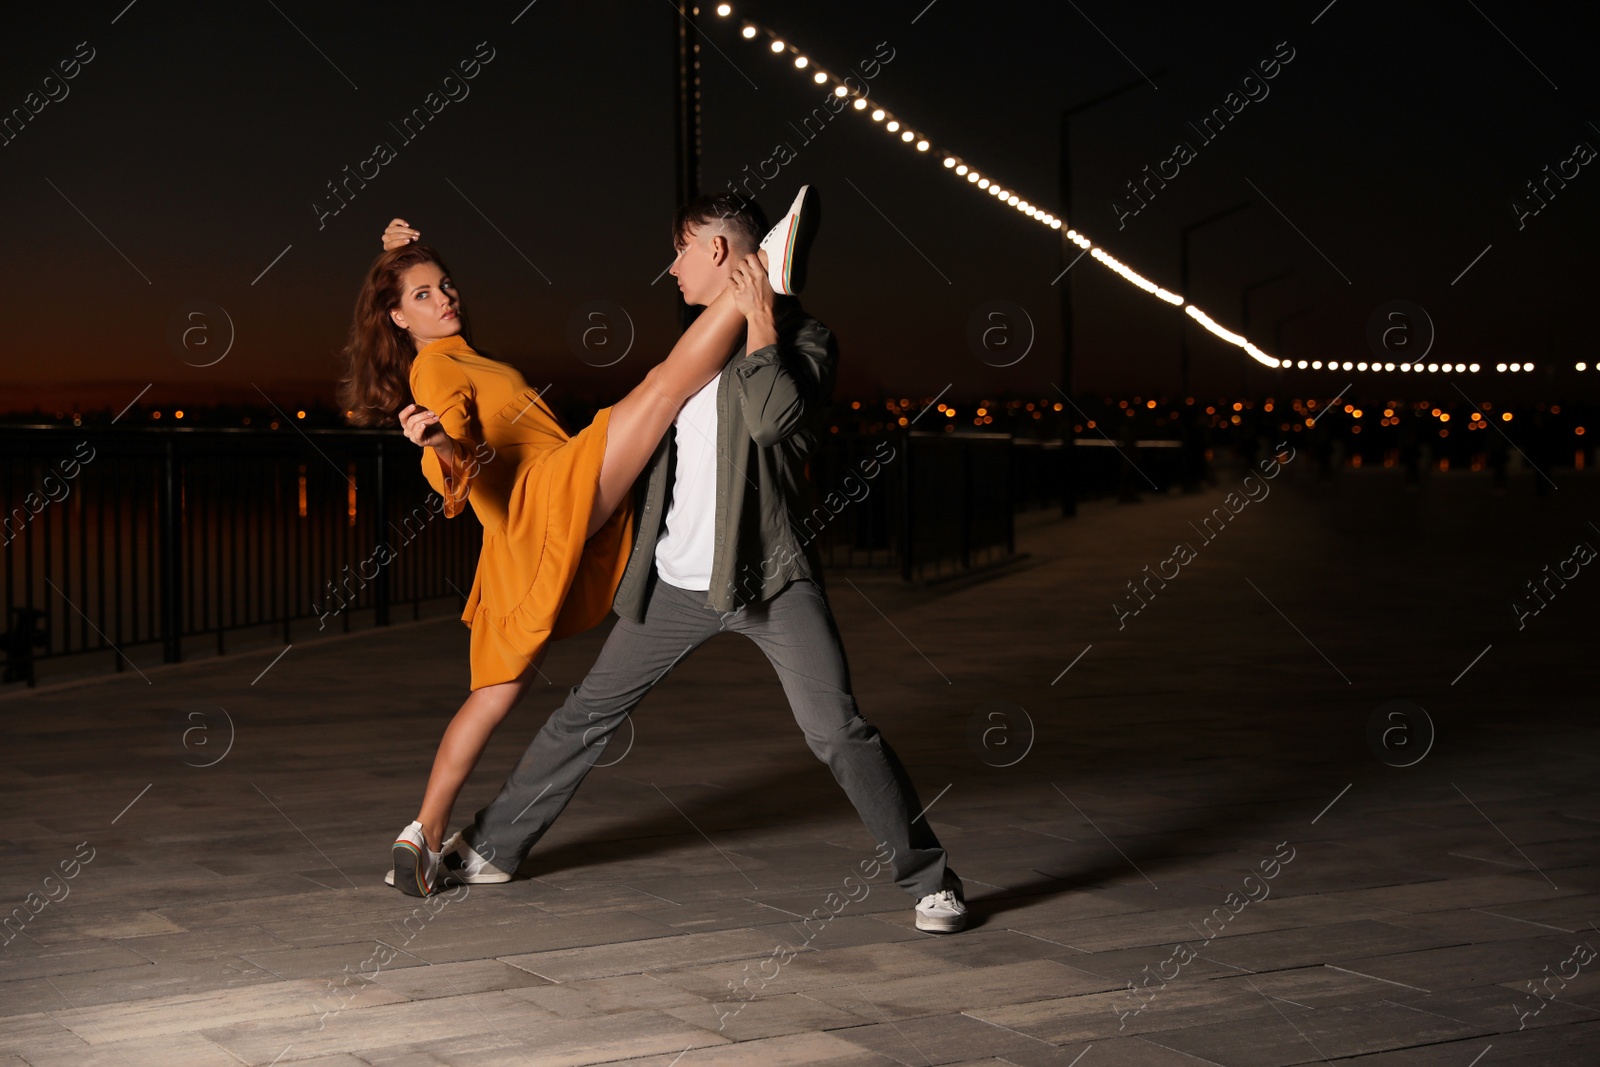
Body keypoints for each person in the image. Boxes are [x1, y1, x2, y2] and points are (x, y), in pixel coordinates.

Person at [380, 192, 967, 933]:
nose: (671, 267)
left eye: (682, 251)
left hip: (769, 578)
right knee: (584, 716)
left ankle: (930, 879)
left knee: (837, 731)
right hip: (676, 582)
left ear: (719, 253)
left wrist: (760, 316)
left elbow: (771, 418)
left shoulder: (808, 339)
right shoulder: (696, 344)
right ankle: (493, 844)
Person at [338, 188, 818, 897]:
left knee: (491, 697)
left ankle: (423, 832)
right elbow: (454, 444)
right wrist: (439, 442)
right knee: (658, 391)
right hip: (540, 501)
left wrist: (397, 255)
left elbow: (419, 335)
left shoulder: (451, 349)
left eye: (445, 284)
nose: (446, 297)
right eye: (424, 294)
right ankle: (761, 275)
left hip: (520, 540)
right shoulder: (435, 369)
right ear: (396, 315)